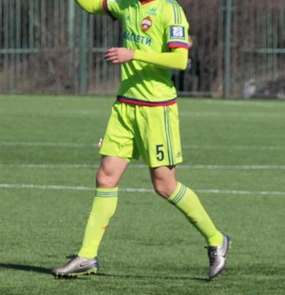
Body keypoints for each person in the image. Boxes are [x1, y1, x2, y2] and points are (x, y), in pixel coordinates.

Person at [52, 0, 229, 280]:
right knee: (106, 177)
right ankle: (87, 256)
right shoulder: (127, 4)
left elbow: (179, 60)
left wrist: (133, 54)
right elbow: (91, 5)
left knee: (165, 186)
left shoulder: (170, 10)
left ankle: (216, 239)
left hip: (157, 110)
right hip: (125, 107)